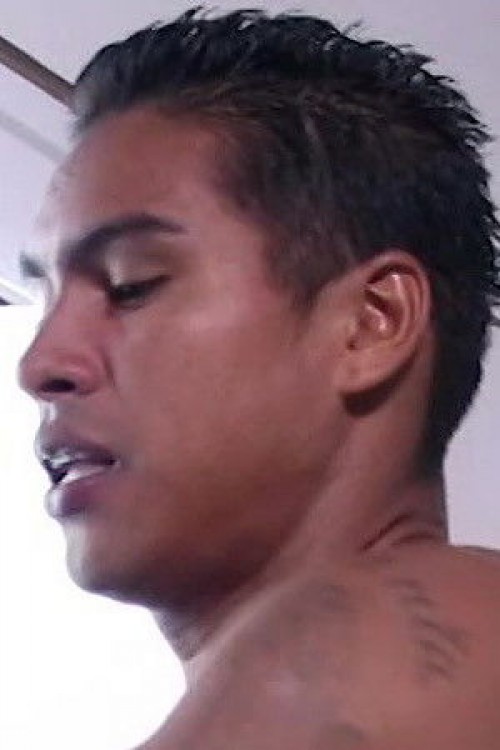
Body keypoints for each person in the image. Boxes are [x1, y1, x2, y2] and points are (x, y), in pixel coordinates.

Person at [18, 7, 500, 749]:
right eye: (45, 299)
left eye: (130, 284)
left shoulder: (391, 638)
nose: (40, 364)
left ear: (370, 323)